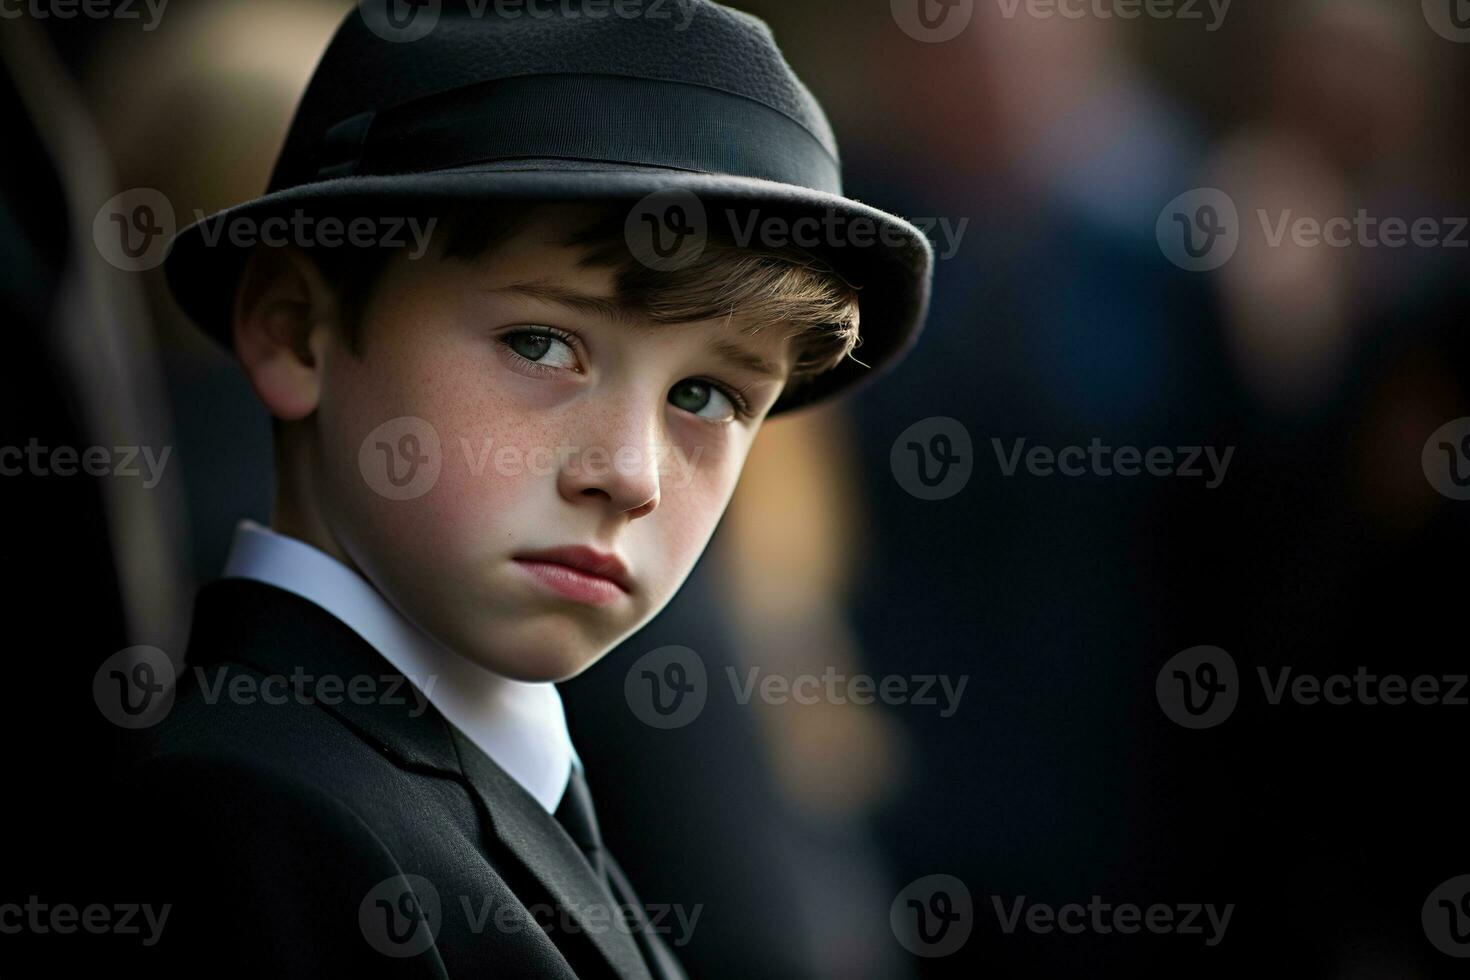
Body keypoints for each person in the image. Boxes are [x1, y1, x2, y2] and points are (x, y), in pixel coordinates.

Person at [93, 2, 933, 977]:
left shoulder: (492, 789)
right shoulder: (253, 822)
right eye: (541, 344)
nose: (629, 473)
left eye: (707, 394)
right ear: (293, 326)